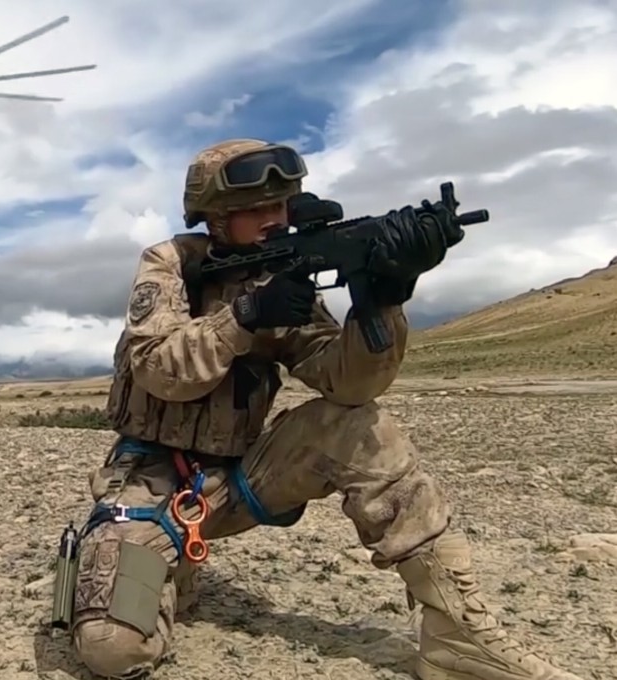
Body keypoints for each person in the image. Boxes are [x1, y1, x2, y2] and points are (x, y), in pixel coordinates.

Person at [65, 139, 583, 680]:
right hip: (149, 483)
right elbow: (158, 368)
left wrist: (381, 296)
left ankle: (459, 635)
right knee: (112, 650)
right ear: (215, 217)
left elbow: (349, 383)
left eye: (282, 205)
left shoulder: (284, 278)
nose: (274, 218)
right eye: (257, 208)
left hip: (239, 479)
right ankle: (160, 567)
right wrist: (243, 317)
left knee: (354, 425)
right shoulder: (170, 263)